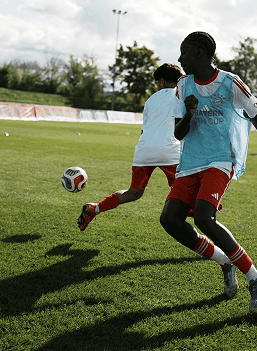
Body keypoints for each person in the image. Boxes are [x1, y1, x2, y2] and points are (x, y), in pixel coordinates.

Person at [159, 31, 257, 312]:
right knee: (170, 220)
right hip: (191, 160)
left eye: (184, 52)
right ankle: (223, 259)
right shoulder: (183, 85)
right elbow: (178, 134)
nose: (179, 59)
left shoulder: (230, 83)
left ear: (200, 54)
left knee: (205, 217)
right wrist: (190, 114)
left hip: (221, 158)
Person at [77, 64, 227, 242]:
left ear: (162, 81)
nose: (157, 86)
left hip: (143, 150)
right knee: (184, 194)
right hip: (169, 151)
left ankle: (95, 208)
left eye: (157, 83)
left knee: (134, 192)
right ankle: (206, 221)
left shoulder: (150, 100)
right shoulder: (182, 94)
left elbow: (144, 131)